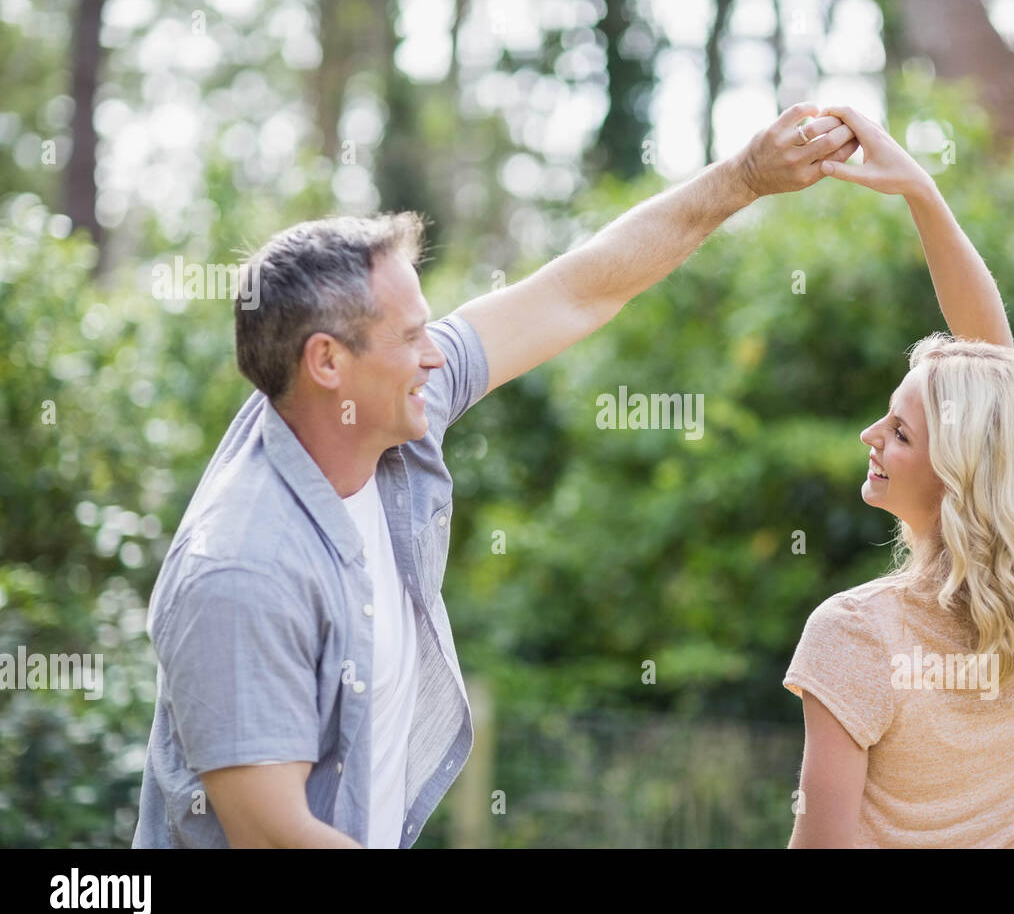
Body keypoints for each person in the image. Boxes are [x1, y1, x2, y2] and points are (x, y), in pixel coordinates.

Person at [131, 103, 860, 848]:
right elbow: (273, 835)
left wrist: (743, 177)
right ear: (326, 362)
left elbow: (576, 292)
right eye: (412, 336)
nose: (437, 356)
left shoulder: (378, 413)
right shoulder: (241, 568)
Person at [783, 106, 1014, 848]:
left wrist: (922, 191)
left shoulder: (854, 634)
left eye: (899, 432)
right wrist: (921, 193)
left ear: (959, 475)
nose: (871, 436)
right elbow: (1002, 392)